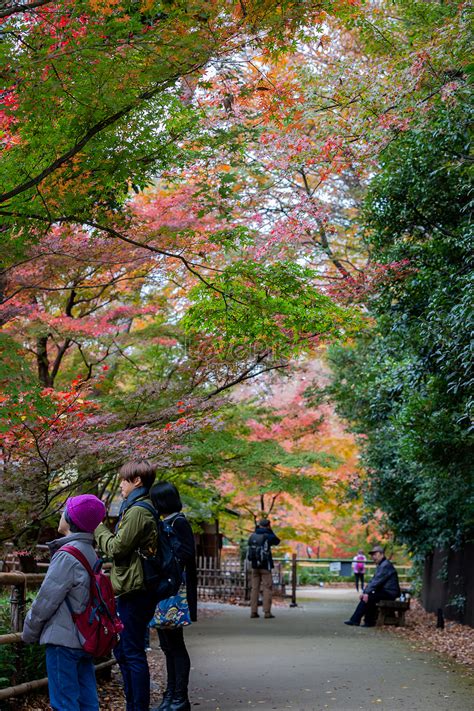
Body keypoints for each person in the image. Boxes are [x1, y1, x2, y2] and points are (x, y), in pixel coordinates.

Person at [22, 494, 106, 711]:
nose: (61, 514)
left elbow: (46, 600)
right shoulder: (90, 552)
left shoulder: (67, 555)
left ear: (71, 518)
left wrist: (29, 631)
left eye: (64, 511)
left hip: (63, 640)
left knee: (64, 704)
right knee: (88, 702)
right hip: (84, 637)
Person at [95, 460, 158, 711]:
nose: (121, 484)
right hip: (133, 587)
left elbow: (117, 549)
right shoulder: (137, 507)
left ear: (137, 481)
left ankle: (137, 707)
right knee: (125, 651)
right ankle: (133, 704)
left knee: (131, 652)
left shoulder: (138, 511)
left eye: (124, 479)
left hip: (134, 589)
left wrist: (97, 528)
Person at [150, 481, 197, 711]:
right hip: (164, 590)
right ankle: (170, 695)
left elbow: (186, 553)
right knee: (168, 646)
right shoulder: (165, 522)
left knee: (176, 645)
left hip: (174, 591)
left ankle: (180, 697)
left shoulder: (178, 522)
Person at [344, 545, 401, 627]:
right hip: (385, 591)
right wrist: (365, 592)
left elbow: (376, 581)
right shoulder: (381, 565)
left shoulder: (385, 565)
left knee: (370, 597)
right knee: (368, 596)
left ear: (381, 554)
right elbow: (373, 581)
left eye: (375, 554)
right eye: (372, 555)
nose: (373, 557)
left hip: (390, 592)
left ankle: (367, 621)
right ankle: (356, 620)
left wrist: (366, 592)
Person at [248, 518, 281, 619]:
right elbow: (277, 541)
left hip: (254, 566)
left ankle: (253, 612)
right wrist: (270, 530)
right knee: (267, 588)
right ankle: (267, 612)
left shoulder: (253, 535)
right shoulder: (268, 536)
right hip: (265, 566)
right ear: (268, 525)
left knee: (254, 589)